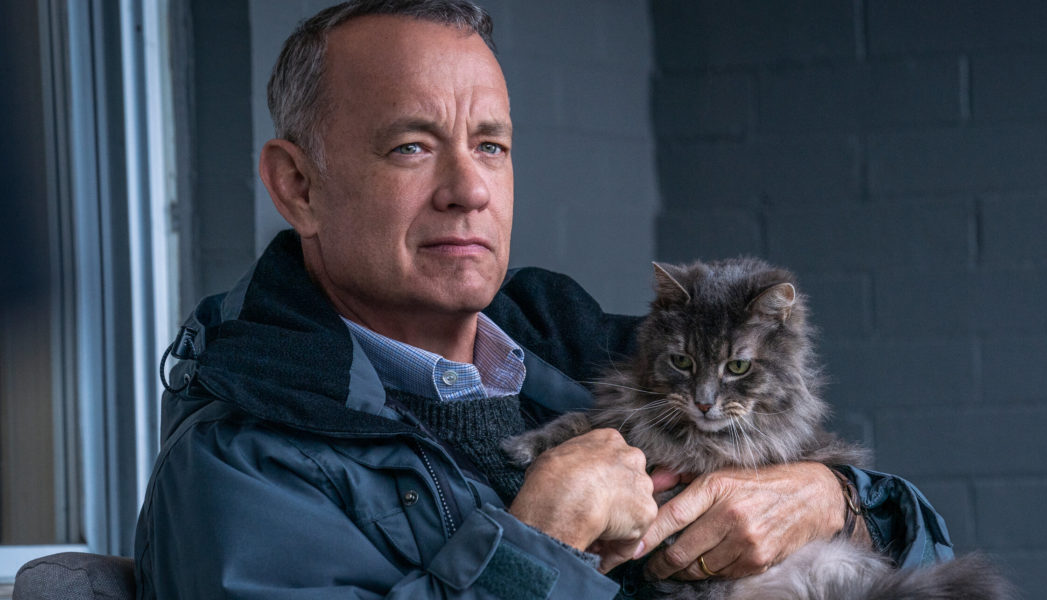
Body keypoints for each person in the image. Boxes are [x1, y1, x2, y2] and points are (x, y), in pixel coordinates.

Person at [133, 1, 954, 598]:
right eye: (412, 146)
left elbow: (932, 560)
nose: (469, 189)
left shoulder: (587, 353)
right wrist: (539, 540)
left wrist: (832, 500)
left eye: (490, 145)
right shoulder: (238, 466)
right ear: (298, 186)